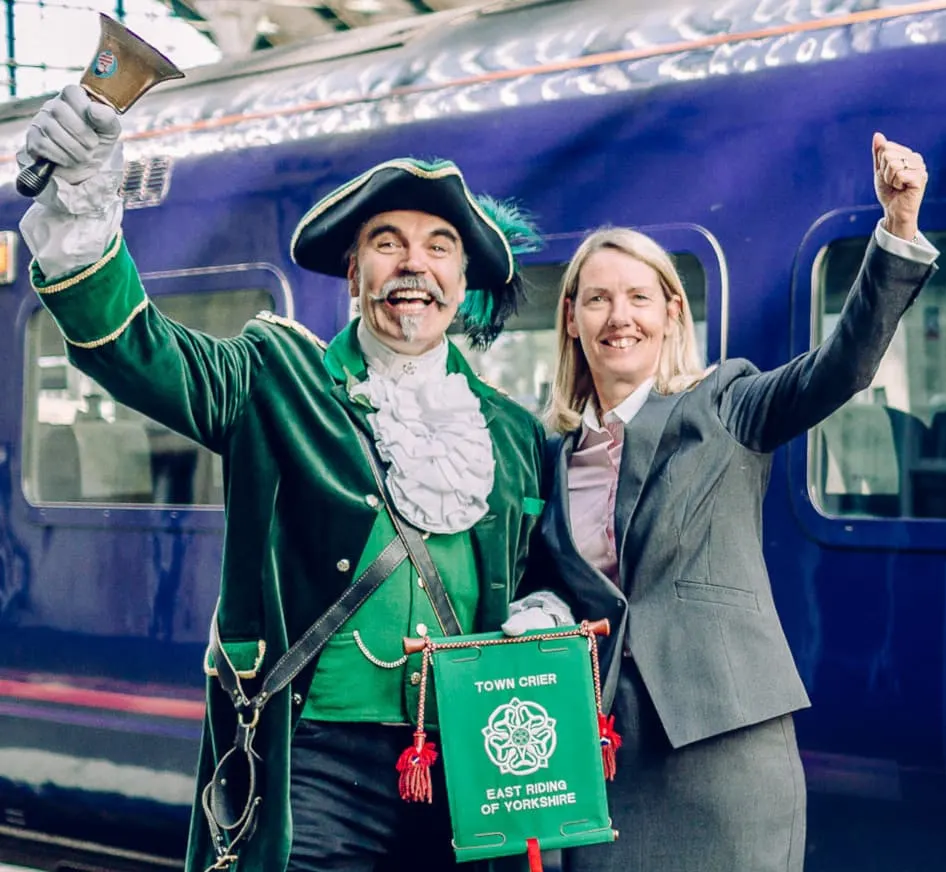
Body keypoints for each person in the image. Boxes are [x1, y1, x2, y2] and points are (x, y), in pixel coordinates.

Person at [15, 85, 549, 871]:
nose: (414, 264)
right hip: (314, 762)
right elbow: (138, 352)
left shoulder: (510, 429)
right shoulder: (275, 375)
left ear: (463, 279)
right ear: (355, 270)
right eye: (387, 242)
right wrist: (89, 196)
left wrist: (542, 609)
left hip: (467, 765)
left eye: (439, 246)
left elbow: (543, 570)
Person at [502, 133, 937, 871]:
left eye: (639, 297)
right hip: (599, 747)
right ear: (571, 317)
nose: (619, 317)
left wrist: (896, 229)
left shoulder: (727, 403)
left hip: (722, 741)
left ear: (672, 313)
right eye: (599, 299)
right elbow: (547, 584)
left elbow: (843, 365)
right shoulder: (549, 454)